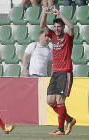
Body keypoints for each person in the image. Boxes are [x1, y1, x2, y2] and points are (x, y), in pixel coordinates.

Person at [40, 6, 76, 135]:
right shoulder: (52, 36)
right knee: (50, 101)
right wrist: (44, 13)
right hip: (55, 72)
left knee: (60, 100)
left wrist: (59, 13)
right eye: (55, 26)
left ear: (62, 27)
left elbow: (71, 27)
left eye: (59, 26)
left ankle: (61, 129)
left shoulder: (68, 37)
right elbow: (42, 25)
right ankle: (69, 119)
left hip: (65, 72)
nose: (56, 29)